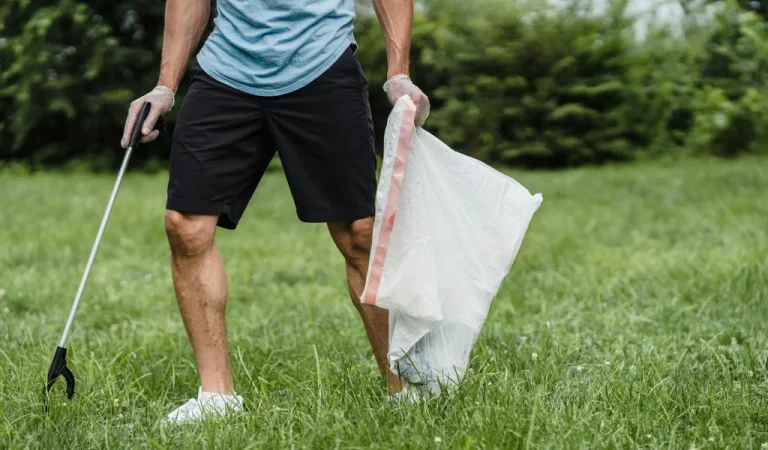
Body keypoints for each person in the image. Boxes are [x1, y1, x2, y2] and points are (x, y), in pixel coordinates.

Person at [120, 0, 430, 423]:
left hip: (321, 68)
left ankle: (402, 388)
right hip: (225, 73)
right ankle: (216, 398)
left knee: (359, 233)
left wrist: (398, 73)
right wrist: (164, 87)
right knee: (185, 226)